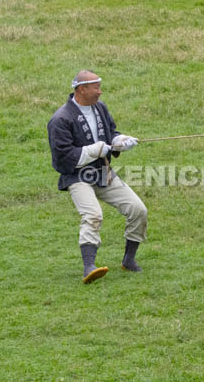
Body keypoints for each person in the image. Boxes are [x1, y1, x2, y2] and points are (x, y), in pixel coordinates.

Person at [47, 70, 146, 284]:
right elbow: (63, 159)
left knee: (138, 210)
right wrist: (95, 150)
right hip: (77, 177)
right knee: (93, 215)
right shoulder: (60, 119)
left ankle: (129, 260)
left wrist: (121, 140)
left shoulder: (100, 108)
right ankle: (88, 267)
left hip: (103, 172)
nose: (100, 92)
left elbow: (110, 133)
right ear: (82, 89)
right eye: (96, 88)